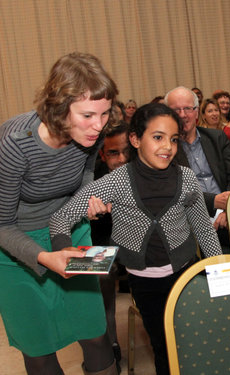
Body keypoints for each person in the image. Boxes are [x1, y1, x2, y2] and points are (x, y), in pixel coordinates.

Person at [49, 103, 223, 375]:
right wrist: (63, 251)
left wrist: (218, 274)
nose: (167, 146)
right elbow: (60, 218)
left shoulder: (187, 178)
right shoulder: (116, 181)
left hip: (187, 274)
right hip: (146, 282)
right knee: (165, 347)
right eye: (157, 137)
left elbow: (203, 228)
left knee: (195, 342)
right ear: (135, 139)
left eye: (173, 139)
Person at [0, 52, 119, 375]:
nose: (99, 125)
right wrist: (45, 256)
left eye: (105, 113)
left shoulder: (91, 133)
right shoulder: (15, 143)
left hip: (68, 229)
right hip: (14, 246)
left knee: (94, 334)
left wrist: (86, 201)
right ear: (58, 108)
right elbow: (2, 225)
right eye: (88, 115)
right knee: (38, 349)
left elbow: (83, 178)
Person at [165, 86, 230, 250]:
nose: (182, 115)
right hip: (188, 220)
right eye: (176, 110)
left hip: (226, 216)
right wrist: (213, 201)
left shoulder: (216, 138)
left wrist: (227, 210)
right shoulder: (164, 148)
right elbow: (172, 189)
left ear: (196, 112)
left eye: (187, 108)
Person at [91, 120, 130, 371]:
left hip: (138, 246)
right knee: (98, 274)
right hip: (101, 245)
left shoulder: (144, 171)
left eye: (126, 151)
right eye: (113, 153)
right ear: (103, 155)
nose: (121, 159)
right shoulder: (91, 177)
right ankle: (109, 346)